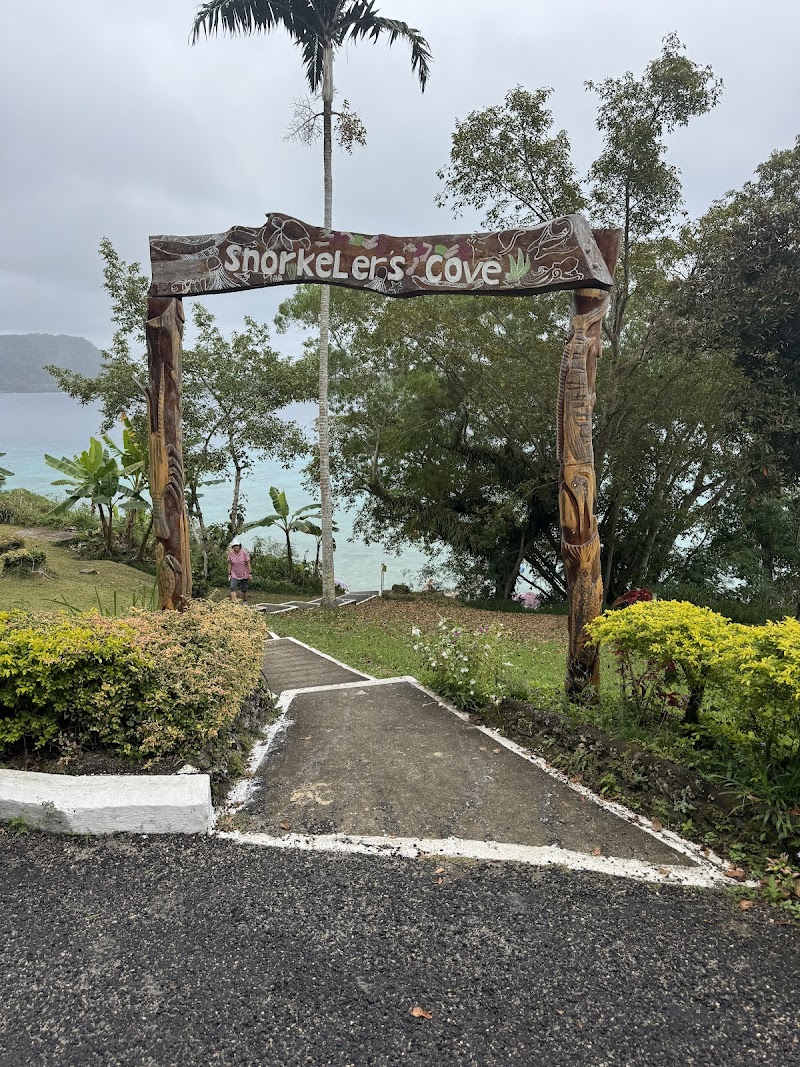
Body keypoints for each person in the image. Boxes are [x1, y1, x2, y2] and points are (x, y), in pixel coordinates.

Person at [227, 538, 252, 603]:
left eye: (237, 545)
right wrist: (229, 574)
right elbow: (230, 563)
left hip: (244, 574)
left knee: (244, 589)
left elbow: (248, 563)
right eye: (234, 546)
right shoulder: (231, 553)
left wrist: (250, 573)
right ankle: (234, 604)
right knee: (232, 587)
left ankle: (245, 601)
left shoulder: (244, 553)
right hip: (234, 573)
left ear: (239, 546)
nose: (235, 547)